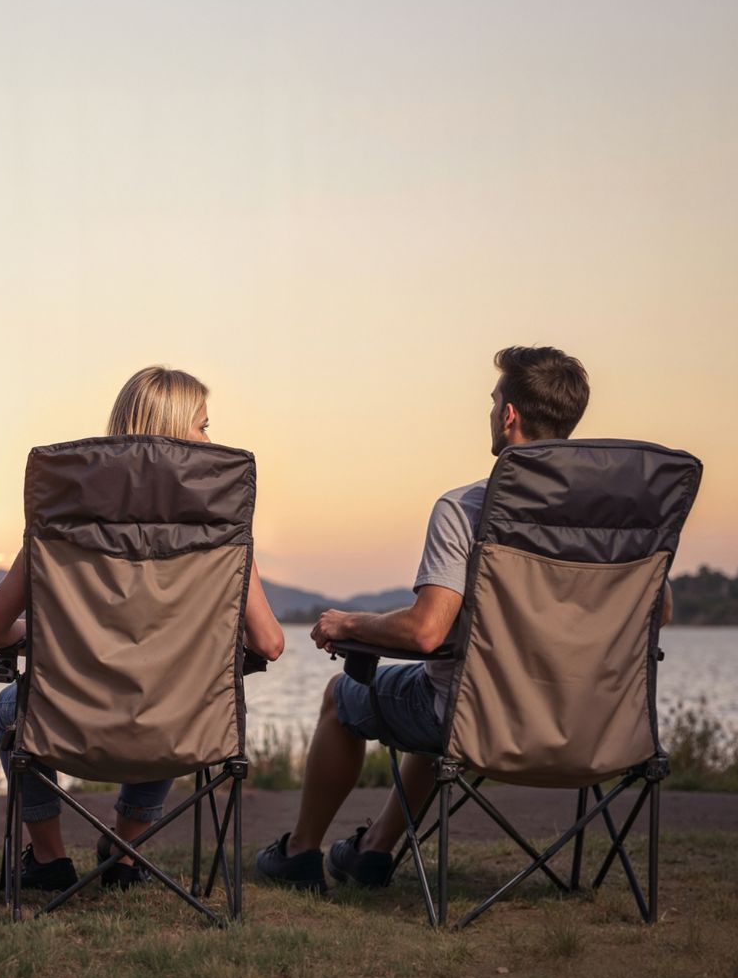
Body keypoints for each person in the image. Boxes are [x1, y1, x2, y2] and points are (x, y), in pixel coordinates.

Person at [255, 345, 673, 890]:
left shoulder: (470, 508)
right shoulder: (614, 519)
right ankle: (374, 850)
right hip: (599, 727)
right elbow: (658, 611)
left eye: (494, 399)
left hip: (478, 723)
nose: (492, 411)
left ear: (509, 415)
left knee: (349, 696)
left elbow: (427, 631)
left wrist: (349, 624)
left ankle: (302, 852)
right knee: (448, 682)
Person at [0, 366, 286, 893]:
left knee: (11, 709)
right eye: (204, 427)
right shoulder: (224, 537)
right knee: (175, 694)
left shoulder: (60, 526)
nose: (212, 440)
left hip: (72, 722)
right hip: (178, 723)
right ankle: (124, 854)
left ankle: (49, 860)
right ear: (176, 432)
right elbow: (270, 643)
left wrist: (40, 633)